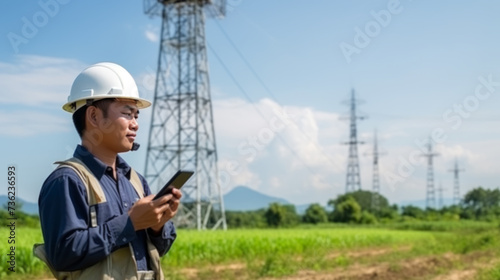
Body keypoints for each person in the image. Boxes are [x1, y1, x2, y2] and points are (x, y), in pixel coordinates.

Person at [35, 62, 181, 280]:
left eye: (136, 116)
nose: (135, 124)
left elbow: (156, 251)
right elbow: (63, 254)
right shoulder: (67, 180)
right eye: (127, 113)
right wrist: (129, 223)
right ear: (94, 117)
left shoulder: (135, 181)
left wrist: (157, 226)